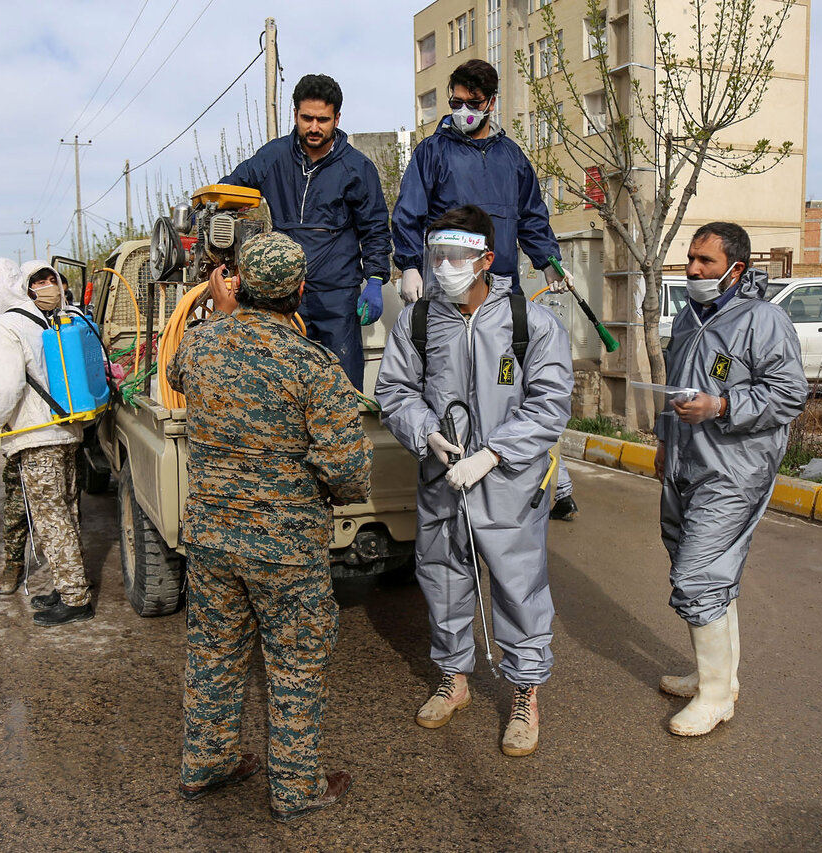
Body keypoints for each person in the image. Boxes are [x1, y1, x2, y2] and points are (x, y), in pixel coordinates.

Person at [168, 233, 372, 822]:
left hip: (210, 540)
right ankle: (295, 786)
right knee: (297, 661)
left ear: (239, 284)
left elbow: (178, 374)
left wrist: (225, 316)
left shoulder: (202, 345)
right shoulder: (312, 365)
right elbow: (350, 475)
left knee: (213, 653)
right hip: (285, 550)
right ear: (302, 290)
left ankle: (205, 765)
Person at [375, 206, 572, 757]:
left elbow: (550, 404)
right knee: (442, 579)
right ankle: (454, 679)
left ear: (486, 259)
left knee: (519, 586)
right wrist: (426, 435)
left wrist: (492, 455)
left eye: (456, 257)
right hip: (442, 479)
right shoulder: (416, 322)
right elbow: (395, 391)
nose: (443, 267)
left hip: (509, 483)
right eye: (436, 255)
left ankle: (525, 693)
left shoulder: (528, 322)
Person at [391, 58, 580, 521]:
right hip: (447, 292)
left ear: (491, 102)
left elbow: (532, 215)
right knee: (451, 387)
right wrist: (409, 266)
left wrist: (549, 260)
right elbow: (409, 213)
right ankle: (449, 471)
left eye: (471, 104)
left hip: (500, 291)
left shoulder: (513, 158)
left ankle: (545, 475)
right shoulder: (432, 152)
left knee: (509, 390)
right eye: (454, 102)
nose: (461, 111)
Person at [653, 222, 808, 736]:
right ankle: (716, 677)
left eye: (706, 262)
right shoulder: (688, 317)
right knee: (701, 567)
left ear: (735, 269)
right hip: (683, 462)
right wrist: (662, 442)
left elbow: (787, 395)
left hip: (734, 470)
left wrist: (721, 405)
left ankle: (717, 698)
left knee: (696, 575)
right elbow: (676, 389)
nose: (694, 269)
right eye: (691, 258)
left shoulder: (764, 321)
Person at [221, 73, 392, 390]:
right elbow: (228, 190)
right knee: (283, 388)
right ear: (296, 114)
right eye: (307, 118)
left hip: (337, 296)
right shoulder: (273, 157)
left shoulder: (357, 169)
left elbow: (375, 230)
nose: (314, 127)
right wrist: (202, 211)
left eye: (323, 120)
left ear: (337, 118)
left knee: (342, 390)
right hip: (282, 296)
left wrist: (376, 279)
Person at [0, 257, 92, 627]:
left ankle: (75, 597)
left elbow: (4, 390)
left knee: (52, 520)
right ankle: (71, 583)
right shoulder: (52, 318)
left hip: (36, 439)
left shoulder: (8, 324)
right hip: (67, 431)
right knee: (67, 513)